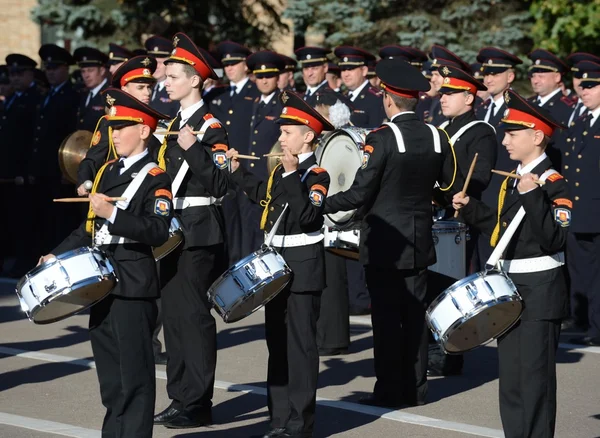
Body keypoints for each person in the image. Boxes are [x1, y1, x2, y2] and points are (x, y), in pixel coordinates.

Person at [324, 58, 459, 408]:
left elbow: (360, 193)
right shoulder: (436, 135)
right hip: (418, 241)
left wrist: (322, 201)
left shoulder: (381, 138)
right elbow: (446, 186)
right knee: (414, 318)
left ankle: (388, 391)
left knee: (385, 321)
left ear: (387, 98)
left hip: (385, 244)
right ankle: (416, 388)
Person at [40, 87, 173, 437]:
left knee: (136, 377)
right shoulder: (108, 171)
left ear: (144, 131)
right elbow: (89, 228)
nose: (113, 135)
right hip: (102, 286)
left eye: (122, 128)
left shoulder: (156, 176)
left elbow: (159, 230)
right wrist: (58, 252)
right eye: (112, 128)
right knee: (111, 381)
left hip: (133, 285)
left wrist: (113, 212)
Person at [453, 89, 570, 438]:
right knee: (513, 382)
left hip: (541, 291)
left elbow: (554, 238)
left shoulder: (553, 184)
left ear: (536, 137)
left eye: (512, 134)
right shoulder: (518, 178)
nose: (504, 141)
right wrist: (470, 207)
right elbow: (502, 228)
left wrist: (533, 193)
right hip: (511, 289)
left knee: (535, 383)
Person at [226, 90, 332, 438]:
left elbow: (306, 216)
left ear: (308, 136)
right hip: (276, 270)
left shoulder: (317, 175)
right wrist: (238, 172)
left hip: (303, 270)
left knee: (301, 348)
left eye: (287, 133)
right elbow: (264, 198)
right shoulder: (282, 172)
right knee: (278, 346)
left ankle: (300, 424)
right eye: (281, 131)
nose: (280, 138)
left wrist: (290, 174)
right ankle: (279, 418)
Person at [152, 32, 230, 429]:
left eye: (174, 76)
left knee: (193, 317)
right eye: (167, 76)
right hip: (170, 230)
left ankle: (198, 401)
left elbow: (219, 185)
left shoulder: (209, 125)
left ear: (196, 81)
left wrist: (193, 148)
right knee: (175, 318)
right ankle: (179, 396)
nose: (166, 81)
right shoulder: (172, 124)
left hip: (198, 232)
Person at [429, 65, 497, 376]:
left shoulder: (480, 131)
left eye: (450, 93)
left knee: (451, 290)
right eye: (442, 92)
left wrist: (452, 190)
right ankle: (431, 349)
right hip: (435, 216)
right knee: (431, 288)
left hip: (459, 222)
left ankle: (449, 354)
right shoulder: (442, 128)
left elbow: (479, 177)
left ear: (469, 97)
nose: (443, 98)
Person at [77, 55, 158, 195]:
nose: (147, 92)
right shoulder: (112, 122)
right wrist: (84, 181)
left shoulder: (159, 121)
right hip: (119, 194)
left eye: (149, 87)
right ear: (125, 90)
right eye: (140, 87)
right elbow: (92, 159)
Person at [562, 60, 600, 346]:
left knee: (596, 272)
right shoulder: (583, 121)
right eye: (583, 86)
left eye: (592, 86)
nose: (584, 91)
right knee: (579, 268)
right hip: (577, 209)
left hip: (595, 209)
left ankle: (597, 325)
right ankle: (581, 319)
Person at [29, 44, 80, 253]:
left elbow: (73, 135)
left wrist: (67, 170)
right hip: (44, 168)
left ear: (65, 69)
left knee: (60, 221)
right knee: (44, 219)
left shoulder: (71, 96)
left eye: (55, 68)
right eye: (47, 68)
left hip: (60, 170)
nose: (50, 72)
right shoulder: (48, 95)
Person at [242, 51, 286, 256]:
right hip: (246, 182)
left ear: (277, 77)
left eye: (268, 76)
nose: (264, 80)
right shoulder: (251, 103)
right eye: (259, 77)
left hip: (267, 183)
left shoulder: (283, 105)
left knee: (264, 244)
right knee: (246, 241)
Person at [334, 46, 385, 128]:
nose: (346, 74)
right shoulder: (342, 97)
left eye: (351, 69)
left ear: (364, 71)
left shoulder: (376, 99)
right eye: (343, 69)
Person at [74, 47, 109, 132]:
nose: (86, 75)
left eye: (90, 70)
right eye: (83, 71)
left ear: (102, 70)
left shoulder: (109, 94)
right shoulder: (84, 93)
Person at [145, 35, 180, 118]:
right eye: (154, 63)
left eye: (160, 63)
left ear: (169, 64)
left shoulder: (176, 89)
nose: (156, 66)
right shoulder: (150, 87)